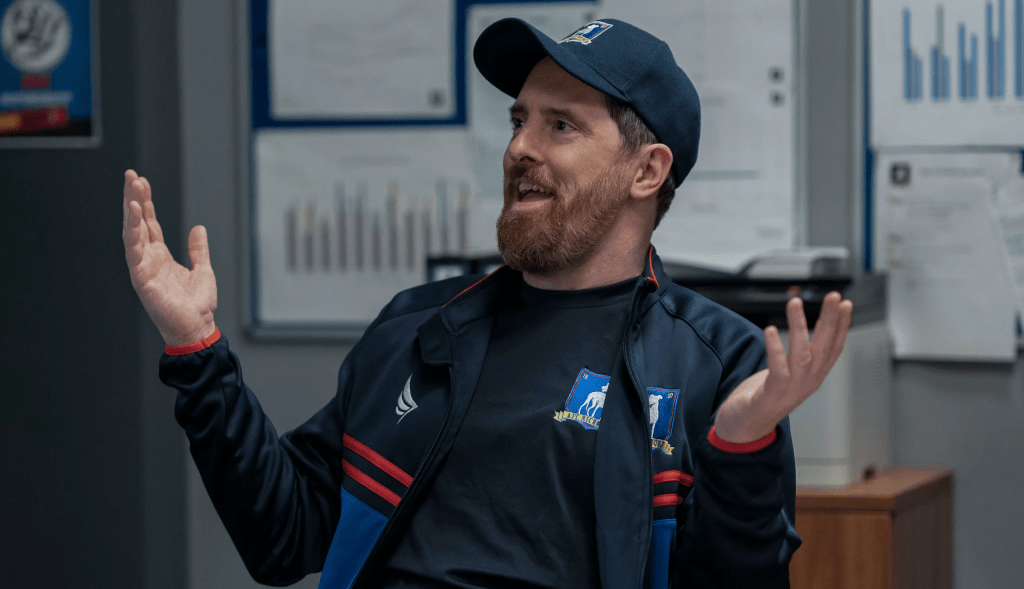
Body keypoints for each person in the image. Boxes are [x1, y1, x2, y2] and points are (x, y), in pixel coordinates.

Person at [123, 17, 852, 589]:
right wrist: (198, 350)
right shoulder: (419, 327)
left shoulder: (715, 364)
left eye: (559, 125)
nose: (519, 148)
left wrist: (740, 451)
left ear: (646, 170)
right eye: (517, 120)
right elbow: (282, 537)